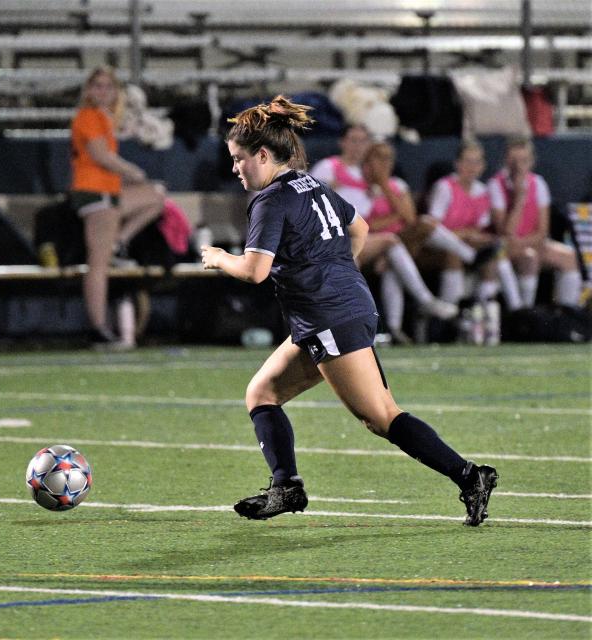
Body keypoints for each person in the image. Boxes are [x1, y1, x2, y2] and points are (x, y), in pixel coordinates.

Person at [200, 96, 497, 526]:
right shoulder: (310, 184)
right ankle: (286, 487)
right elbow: (359, 227)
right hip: (336, 310)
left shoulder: (271, 200)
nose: (235, 169)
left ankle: (470, 476)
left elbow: (255, 271)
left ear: (262, 155)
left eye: (239, 159)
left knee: (380, 417)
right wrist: (338, 271)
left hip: (328, 317)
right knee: (262, 394)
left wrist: (218, 257)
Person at [69, 66, 165, 347]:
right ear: (88, 90)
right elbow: (100, 155)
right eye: (97, 86)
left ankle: (119, 242)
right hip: (94, 192)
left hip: (107, 191)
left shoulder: (103, 117)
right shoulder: (88, 116)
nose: (103, 92)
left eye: (108, 86)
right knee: (98, 265)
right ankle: (98, 327)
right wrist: (131, 171)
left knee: (155, 197)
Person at [340, 141, 459, 343]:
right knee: (395, 239)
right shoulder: (358, 186)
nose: (385, 163)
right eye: (380, 158)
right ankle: (426, 301)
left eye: (389, 159)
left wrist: (385, 185)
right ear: (367, 161)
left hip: (398, 245)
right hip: (361, 245)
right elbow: (366, 225)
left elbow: (409, 218)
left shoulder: (395, 185)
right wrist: (395, 216)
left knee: (395, 254)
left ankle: (394, 329)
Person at [425, 140, 522, 310]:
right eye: (467, 161)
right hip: (438, 247)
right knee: (453, 252)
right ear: (457, 164)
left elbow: (478, 230)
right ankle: (450, 313)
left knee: (495, 254)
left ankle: (499, 310)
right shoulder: (444, 187)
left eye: (477, 162)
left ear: (483, 166)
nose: (472, 167)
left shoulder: (482, 192)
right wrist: (464, 235)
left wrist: (469, 236)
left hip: (466, 243)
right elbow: (433, 228)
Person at [488, 136, 582, 309]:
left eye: (523, 160)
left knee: (570, 257)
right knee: (528, 257)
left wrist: (525, 243)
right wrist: (519, 199)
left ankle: (566, 314)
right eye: (513, 160)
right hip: (505, 248)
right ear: (505, 160)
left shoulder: (538, 183)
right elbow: (505, 233)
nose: (518, 166)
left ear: (531, 161)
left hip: (530, 242)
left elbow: (542, 231)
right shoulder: (495, 185)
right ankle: (525, 314)